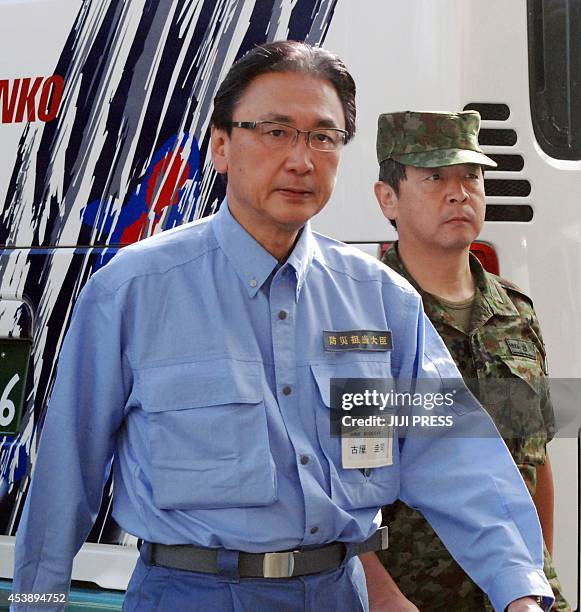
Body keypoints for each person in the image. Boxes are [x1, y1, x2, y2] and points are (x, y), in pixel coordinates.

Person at [12, 44, 552, 612]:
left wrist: (518, 590)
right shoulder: (133, 291)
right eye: (275, 132)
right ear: (221, 145)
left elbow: (451, 455)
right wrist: (35, 602)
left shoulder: (380, 300)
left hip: (337, 592)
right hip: (191, 594)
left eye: (324, 137)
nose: (302, 160)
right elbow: (64, 479)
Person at [373, 109, 569, 611]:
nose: (459, 192)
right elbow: (338, 490)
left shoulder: (515, 313)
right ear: (387, 198)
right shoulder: (366, 316)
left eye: (471, 175)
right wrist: (383, 598)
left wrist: (534, 577)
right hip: (415, 595)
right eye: (435, 177)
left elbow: (535, 461)